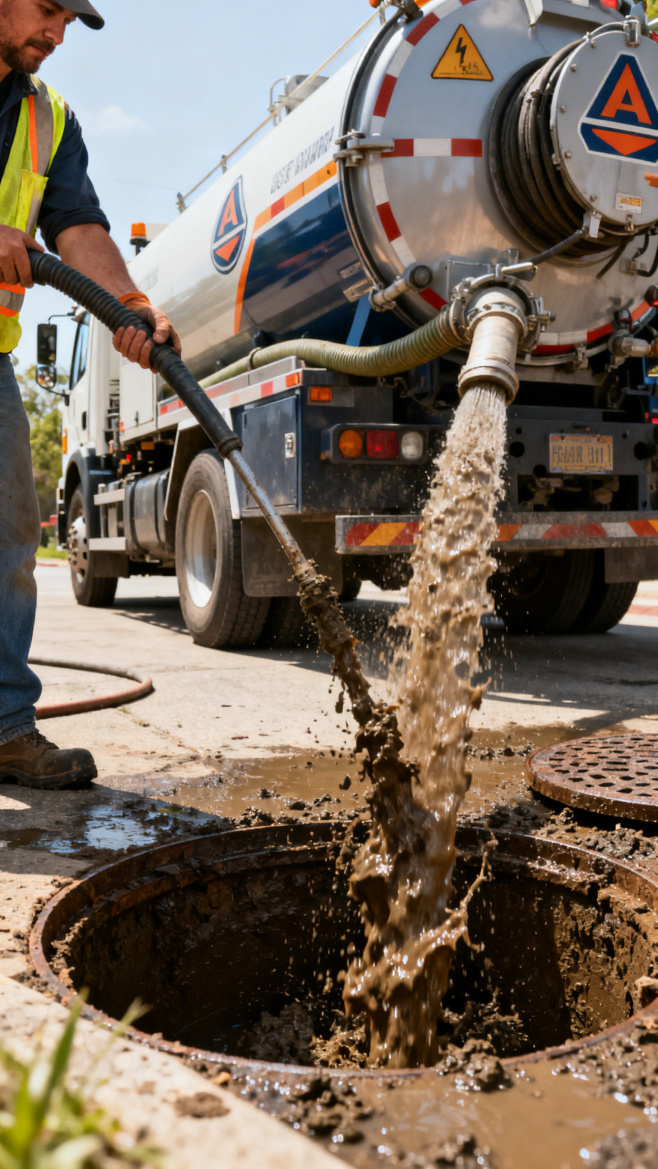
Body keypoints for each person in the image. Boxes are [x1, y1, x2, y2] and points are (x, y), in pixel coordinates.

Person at [0, 0, 181, 791]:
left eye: (71, 19)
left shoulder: (48, 119)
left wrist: (127, 305)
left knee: (9, 548)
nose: (58, 33)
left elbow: (77, 229)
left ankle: (3, 727)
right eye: (46, 9)